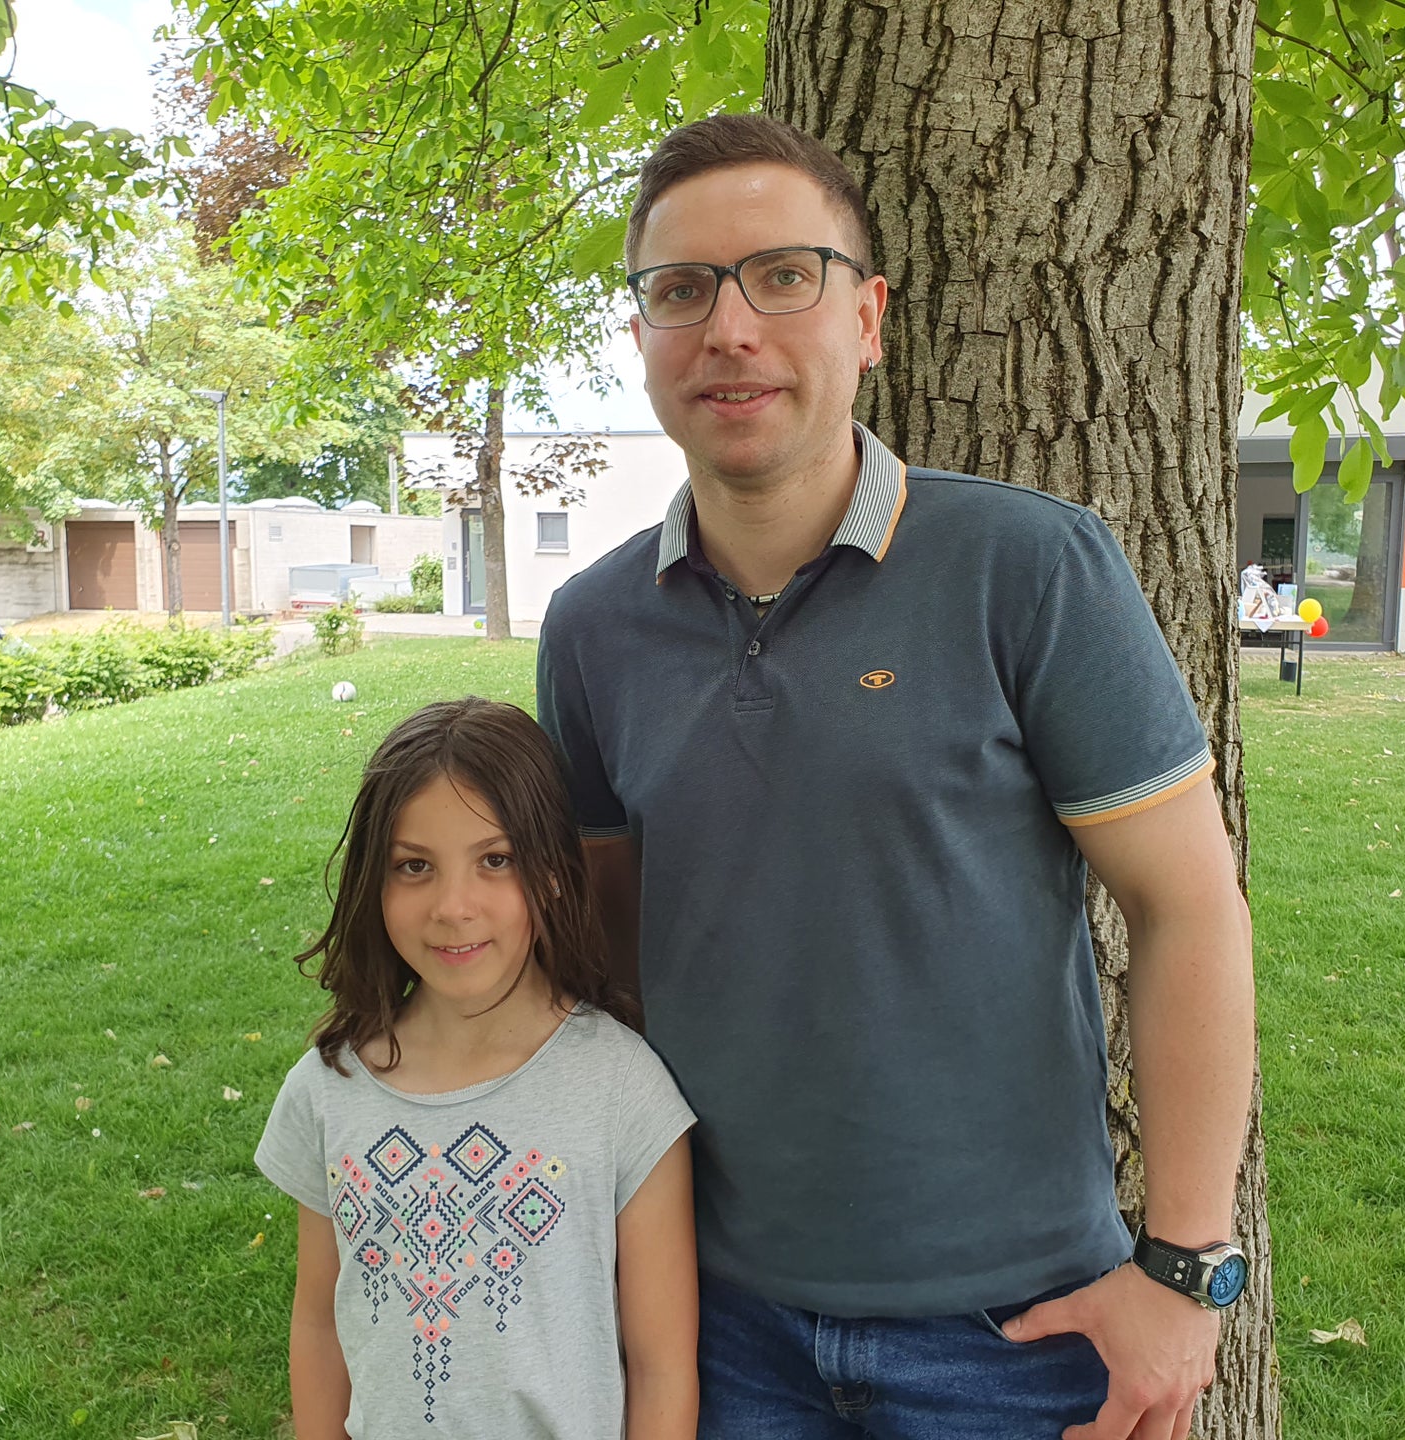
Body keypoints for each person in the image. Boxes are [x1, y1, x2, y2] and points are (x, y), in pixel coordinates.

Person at [537, 113, 1256, 1440]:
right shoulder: (591, 629)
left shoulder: (1030, 569)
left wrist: (1187, 1269)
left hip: (1016, 1328)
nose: (730, 328)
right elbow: (611, 954)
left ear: (866, 319)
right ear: (640, 334)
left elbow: (1190, 907)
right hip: (715, 1318)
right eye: (681, 290)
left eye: (783, 276)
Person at [254, 697, 699, 1440]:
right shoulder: (328, 1090)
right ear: (373, 881)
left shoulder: (624, 1090)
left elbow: (663, 1369)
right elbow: (319, 1324)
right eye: (414, 866)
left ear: (552, 873)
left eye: (495, 860)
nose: (453, 907)